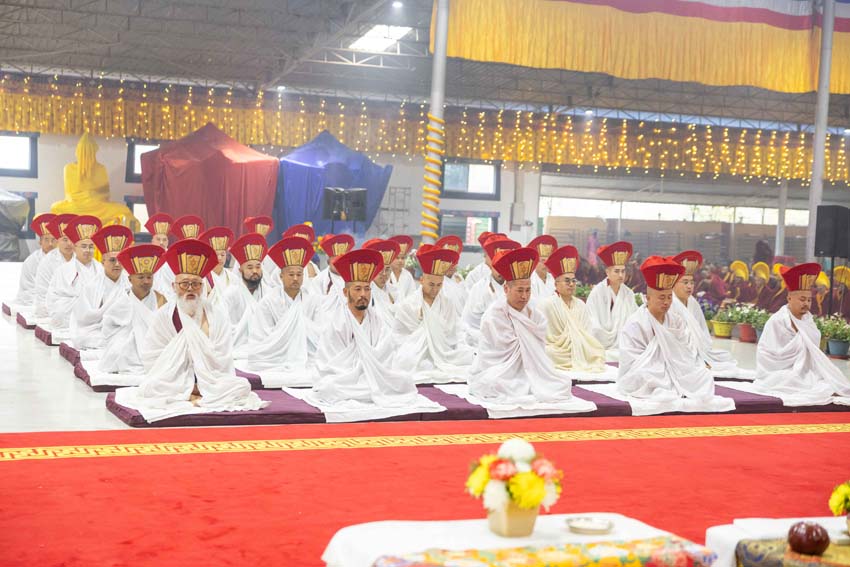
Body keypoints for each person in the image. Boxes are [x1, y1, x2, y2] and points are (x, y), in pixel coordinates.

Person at [114, 239, 268, 421]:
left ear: (202, 287)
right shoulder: (164, 315)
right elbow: (152, 356)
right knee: (152, 388)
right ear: (174, 286)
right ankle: (191, 393)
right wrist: (184, 380)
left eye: (196, 284)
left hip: (211, 380)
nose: (190, 289)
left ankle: (195, 394)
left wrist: (202, 380)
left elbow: (223, 355)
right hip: (172, 380)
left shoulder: (216, 315)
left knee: (241, 387)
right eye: (184, 284)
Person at [305, 249, 442, 418]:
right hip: (345, 379)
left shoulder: (377, 321)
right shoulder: (337, 322)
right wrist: (359, 372)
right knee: (329, 388)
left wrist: (372, 371)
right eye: (357, 289)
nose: (363, 295)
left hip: (374, 376)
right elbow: (330, 364)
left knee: (405, 381)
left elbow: (386, 355)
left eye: (367, 289)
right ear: (346, 292)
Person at [467, 247, 596, 413]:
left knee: (561, 383)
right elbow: (494, 355)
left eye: (528, 290)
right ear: (506, 289)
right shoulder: (493, 315)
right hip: (502, 370)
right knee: (493, 384)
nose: (524, 296)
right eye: (519, 290)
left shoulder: (535, 314)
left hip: (534, 370)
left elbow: (539, 351)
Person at [617, 256, 735, 414]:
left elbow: (686, 351)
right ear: (648, 298)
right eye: (661, 297)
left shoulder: (675, 320)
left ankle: (670, 386)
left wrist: (689, 367)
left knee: (704, 375)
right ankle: (664, 386)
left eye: (669, 297)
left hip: (677, 369)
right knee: (646, 376)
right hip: (649, 371)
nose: (666, 302)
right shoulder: (636, 323)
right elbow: (630, 360)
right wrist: (659, 367)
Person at [754, 262, 850, 406]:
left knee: (830, 381)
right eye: (802, 299)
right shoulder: (778, 321)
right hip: (778, 371)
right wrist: (792, 365)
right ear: (789, 299)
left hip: (805, 370)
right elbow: (766, 353)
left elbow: (814, 353)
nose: (806, 304)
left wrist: (804, 367)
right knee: (797, 382)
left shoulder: (808, 320)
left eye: (809, 300)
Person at [233, 236, 321, 388]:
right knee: (256, 358)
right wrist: (288, 339)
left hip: (308, 354)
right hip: (274, 356)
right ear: (281, 276)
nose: (295, 278)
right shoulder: (268, 302)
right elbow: (261, 337)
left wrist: (301, 329)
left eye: (299, 274)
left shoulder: (313, 300)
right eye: (291, 274)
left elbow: (321, 333)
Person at [83, 244, 168, 387]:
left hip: (153, 345)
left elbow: (166, 328)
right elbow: (108, 327)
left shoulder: (160, 299)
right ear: (130, 279)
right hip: (125, 345)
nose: (146, 281)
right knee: (120, 349)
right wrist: (128, 335)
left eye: (149, 277)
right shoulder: (122, 299)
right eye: (141, 277)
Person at [391, 245, 473, 383]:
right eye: (431, 284)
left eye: (439, 285)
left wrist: (457, 346)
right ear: (422, 280)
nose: (435, 289)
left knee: (467, 356)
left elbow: (454, 332)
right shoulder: (409, 305)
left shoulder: (447, 303)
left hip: (444, 351)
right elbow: (399, 336)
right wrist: (420, 341)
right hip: (417, 353)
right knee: (411, 362)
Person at [671, 250, 753, 379]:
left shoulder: (693, 302)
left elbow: (702, 331)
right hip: (678, 351)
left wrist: (700, 351)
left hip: (699, 350)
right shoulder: (670, 304)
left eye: (692, 282)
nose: (689, 286)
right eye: (685, 282)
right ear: (674, 284)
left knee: (725, 357)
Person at [539, 245, 611, 380]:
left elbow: (587, 333)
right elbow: (543, 337)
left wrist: (579, 344)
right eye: (567, 281)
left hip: (579, 347)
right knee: (547, 352)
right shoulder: (546, 305)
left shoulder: (580, 305)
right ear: (556, 284)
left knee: (597, 350)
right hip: (558, 351)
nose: (571, 284)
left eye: (573, 281)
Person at [69, 224, 134, 352]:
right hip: (98, 330)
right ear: (103, 262)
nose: (117, 264)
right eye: (112, 260)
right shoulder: (92, 286)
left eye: (120, 260)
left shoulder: (130, 283)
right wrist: (106, 320)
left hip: (124, 328)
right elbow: (84, 317)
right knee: (84, 338)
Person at [45, 215, 104, 340]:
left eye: (91, 247)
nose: (87, 250)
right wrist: (82, 304)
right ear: (75, 248)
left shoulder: (101, 270)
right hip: (69, 317)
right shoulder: (63, 270)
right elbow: (54, 300)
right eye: (83, 246)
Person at [462, 236, 521, 345]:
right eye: (497, 266)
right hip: (484, 341)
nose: (501, 271)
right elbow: (468, 324)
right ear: (491, 266)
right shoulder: (479, 288)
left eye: (504, 266)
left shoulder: (518, 287)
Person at [585, 240, 637, 359]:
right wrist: (603, 334)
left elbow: (634, 319)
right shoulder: (597, 292)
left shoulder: (628, 293)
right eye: (616, 271)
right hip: (600, 341)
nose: (621, 275)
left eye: (623, 271)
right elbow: (591, 320)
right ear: (607, 272)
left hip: (624, 342)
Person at [221, 232, 270, 349]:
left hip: (265, 346)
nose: (255, 271)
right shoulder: (230, 295)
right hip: (237, 346)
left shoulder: (269, 294)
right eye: (250, 267)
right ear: (240, 270)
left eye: (258, 267)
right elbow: (224, 327)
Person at [32, 214, 77, 322]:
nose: (69, 244)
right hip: (51, 311)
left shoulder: (81, 260)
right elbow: (42, 294)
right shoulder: (47, 262)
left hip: (77, 311)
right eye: (65, 239)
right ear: (58, 241)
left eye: (72, 239)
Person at [9, 213, 56, 314]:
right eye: (46, 240)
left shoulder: (63, 259)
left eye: (53, 240)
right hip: (35, 299)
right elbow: (27, 289)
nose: (50, 244)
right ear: (40, 242)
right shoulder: (31, 261)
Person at [363, 238, 401, 324]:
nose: (384, 274)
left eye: (387, 270)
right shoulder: (366, 293)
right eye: (380, 270)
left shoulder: (393, 290)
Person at [198, 226, 235, 304]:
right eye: (216, 255)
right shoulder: (203, 278)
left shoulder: (232, 277)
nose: (220, 258)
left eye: (222, 255)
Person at [146, 213, 175, 301]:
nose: (161, 242)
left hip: (171, 298)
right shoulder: (146, 258)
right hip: (151, 298)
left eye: (164, 240)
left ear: (168, 242)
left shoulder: (174, 258)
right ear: (152, 241)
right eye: (158, 239)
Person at [435, 235, 468, 310]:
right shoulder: (436, 280)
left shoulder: (459, 278)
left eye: (454, 262)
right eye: (448, 262)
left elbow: (467, 301)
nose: (451, 266)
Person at [387, 234, 418, 300]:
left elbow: (412, 296)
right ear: (391, 258)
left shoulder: (408, 275)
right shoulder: (385, 274)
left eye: (403, 258)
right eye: (397, 258)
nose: (400, 261)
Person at [528, 235, 557, 303]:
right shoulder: (530, 279)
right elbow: (532, 302)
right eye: (542, 261)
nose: (545, 264)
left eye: (548, 261)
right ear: (535, 262)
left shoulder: (552, 278)